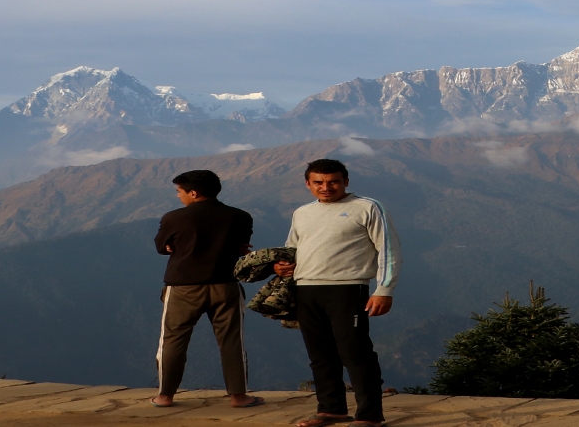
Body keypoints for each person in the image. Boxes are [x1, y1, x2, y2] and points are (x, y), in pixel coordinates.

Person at [272, 159, 400, 427]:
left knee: (355, 353)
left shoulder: (367, 207)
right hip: (306, 289)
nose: (326, 187)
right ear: (308, 184)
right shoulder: (302, 213)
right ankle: (331, 410)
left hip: (348, 289)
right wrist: (282, 266)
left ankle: (369, 415)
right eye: (318, 182)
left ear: (346, 182)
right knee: (320, 354)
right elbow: (292, 248)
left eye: (333, 182)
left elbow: (388, 250)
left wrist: (384, 289)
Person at [152, 169, 261, 409]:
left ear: (193, 192)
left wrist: (174, 246)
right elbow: (243, 245)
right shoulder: (241, 216)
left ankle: (165, 396)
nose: (179, 196)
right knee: (232, 341)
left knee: (172, 341)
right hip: (225, 285)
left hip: (182, 288)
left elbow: (161, 246)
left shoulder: (174, 218)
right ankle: (239, 396)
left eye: (180, 192)